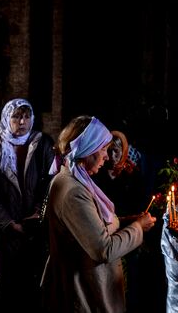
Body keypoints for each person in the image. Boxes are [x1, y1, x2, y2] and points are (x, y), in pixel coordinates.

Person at [41, 115, 157, 313]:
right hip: (83, 294)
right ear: (88, 148)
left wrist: (126, 221)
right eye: (103, 149)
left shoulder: (74, 180)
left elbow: (90, 224)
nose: (106, 156)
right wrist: (138, 228)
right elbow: (104, 249)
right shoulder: (73, 191)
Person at [0, 98, 55, 311]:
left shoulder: (42, 144)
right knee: (8, 282)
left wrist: (39, 212)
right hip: (6, 230)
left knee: (35, 281)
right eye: (16, 116)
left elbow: (52, 181)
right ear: (6, 118)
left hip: (35, 227)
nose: (22, 122)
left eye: (26, 116)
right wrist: (8, 222)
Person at [93, 130, 150, 313]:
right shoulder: (97, 175)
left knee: (130, 283)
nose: (112, 156)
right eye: (109, 150)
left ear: (125, 151)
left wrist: (136, 221)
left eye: (117, 150)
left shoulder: (132, 175)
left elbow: (141, 204)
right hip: (105, 234)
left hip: (130, 233)